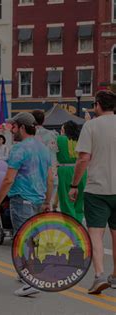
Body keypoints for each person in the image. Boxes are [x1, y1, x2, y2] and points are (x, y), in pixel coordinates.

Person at [0, 112, 53, 297]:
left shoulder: (19, 149)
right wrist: (47, 201)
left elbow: (9, 179)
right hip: (38, 199)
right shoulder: (43, 148)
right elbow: (50, 178)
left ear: (22, 127)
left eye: (14, 127)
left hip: (21, 198)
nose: (11, 130)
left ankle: (31, 280)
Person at [69, 90, 116, 295]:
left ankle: (99, 275)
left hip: (97, 187)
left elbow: (83, 158)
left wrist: (74, 184)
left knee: (96, 234)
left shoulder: (91, 125)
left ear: (97, 105)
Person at [56, 121, 86, 223]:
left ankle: (71, 228)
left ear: (64, 130)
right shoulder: (82, 139)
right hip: (82, 170)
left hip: (65, 170)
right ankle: (79, 226)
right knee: (79, 201)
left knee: (66, 201)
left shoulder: (59, 139)